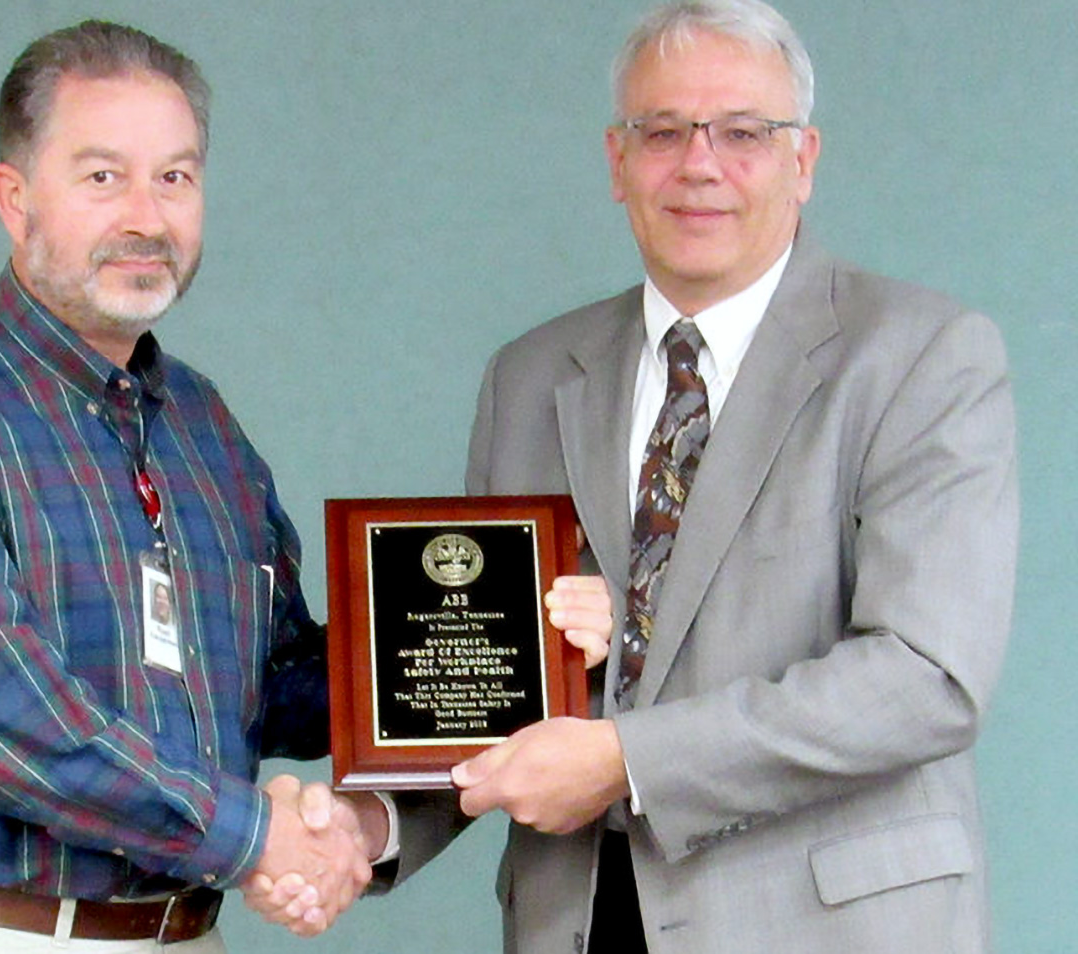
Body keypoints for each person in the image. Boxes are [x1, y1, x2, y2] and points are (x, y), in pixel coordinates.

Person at [249, 1, 1018, 951]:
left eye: (743, 132)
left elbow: (922, 677)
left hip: (825, 925)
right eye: (662, 132)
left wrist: (626, 760)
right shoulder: (531, 376)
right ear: (617, 163)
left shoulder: (919, 355)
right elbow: (491, 685)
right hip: (581, 920)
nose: (699, 164)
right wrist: (367, 829)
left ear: (803, 160)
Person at [0, 21, 374, 953]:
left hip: (183, 934)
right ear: (14, 197)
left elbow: (274, 692)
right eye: (103, 176)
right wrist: (257, 836)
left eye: (175, 177)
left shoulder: (203, 426)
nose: (146, 217)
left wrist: (516, 644)